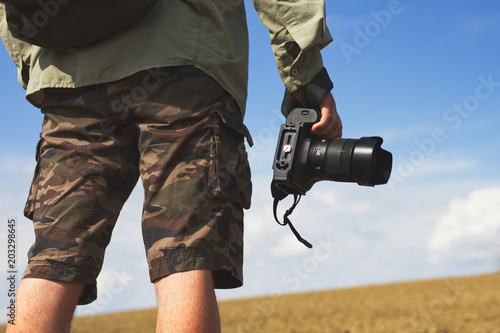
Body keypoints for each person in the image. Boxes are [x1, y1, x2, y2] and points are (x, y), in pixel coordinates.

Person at [1, 0, 342, 332]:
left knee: (53, 259)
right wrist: (305, 72)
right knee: (185, 252)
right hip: (183, 58)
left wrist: (35, 65)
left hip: (70, 79)